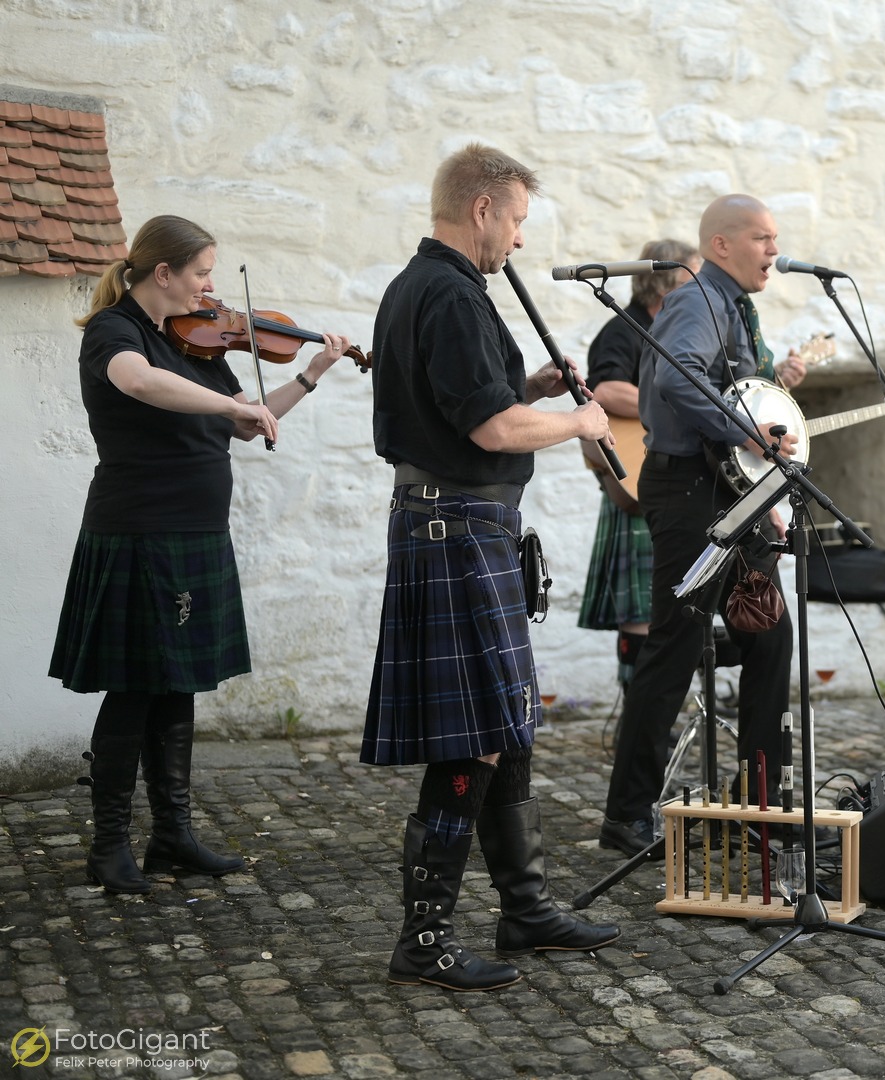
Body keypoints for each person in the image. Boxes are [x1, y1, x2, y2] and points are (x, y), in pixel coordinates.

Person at [363, 143, 619, 992]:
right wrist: (578, 424)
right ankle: (424, 939)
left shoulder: (424, 288)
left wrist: (534, 386)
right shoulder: (448, 293)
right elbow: (490, 433)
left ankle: (526, 909)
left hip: (454, 524)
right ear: (481, 209)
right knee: (473, 738)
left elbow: (477, 407)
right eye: (513, 221)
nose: (515, 240)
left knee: (505, 729)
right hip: (455, 526)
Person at [50, 214, 352, 895]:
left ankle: (173, 837)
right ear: (164, 273)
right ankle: (107, 846)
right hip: (139, 531)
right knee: (133, 691)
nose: (212, 288)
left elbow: (251, 422)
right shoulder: (116, 332)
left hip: (196, 532)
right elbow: (138, 384)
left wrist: (309, 374)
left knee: (178, 684)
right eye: (202, 273)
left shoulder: (201, 345)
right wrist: (223, 410)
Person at [598, 193, 807, 857]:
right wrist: (752, 432)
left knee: (769, 633)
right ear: (721, 244)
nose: (774, 250)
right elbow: (678, 382)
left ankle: (760, 806)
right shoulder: (696, 297)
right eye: (761, 237)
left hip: (728, 490)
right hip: (688, 490)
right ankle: (626, 815)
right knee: (675, 647)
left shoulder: (736, 309)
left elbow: (731, 393)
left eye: (775, 239)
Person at [577, 239, 701, 689]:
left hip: (675, 479)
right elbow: (606, 391)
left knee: (670, 605)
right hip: (636, 478)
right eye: (695, 276)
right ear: (670, 283)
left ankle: (664, 708)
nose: (702, 286)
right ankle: (639, 707)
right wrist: (673, 402)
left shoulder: (674, 332)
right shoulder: (623, 330)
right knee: (640, 610)